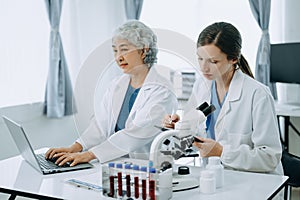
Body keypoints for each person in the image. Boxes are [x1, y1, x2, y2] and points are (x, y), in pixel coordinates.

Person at [45, 20, 178, 166]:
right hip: (114, 164)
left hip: (147, 167)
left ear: (144, 50)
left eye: (124, 49)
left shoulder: (162, 91)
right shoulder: (117, 85)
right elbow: (100, 125)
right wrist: (75, 148)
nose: (118, 57)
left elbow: (135, 134)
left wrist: (88, 155)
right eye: (115, 50)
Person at [164, 22, 283, 175]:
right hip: (215, 176)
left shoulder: (257, 94)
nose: (203, 68)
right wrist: (178, 128)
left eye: (213, 61)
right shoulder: (201, 87)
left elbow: (269, 157)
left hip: (254, 182)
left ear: (233, 59)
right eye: (200, 59)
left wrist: (222, 152)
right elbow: (192, 138)